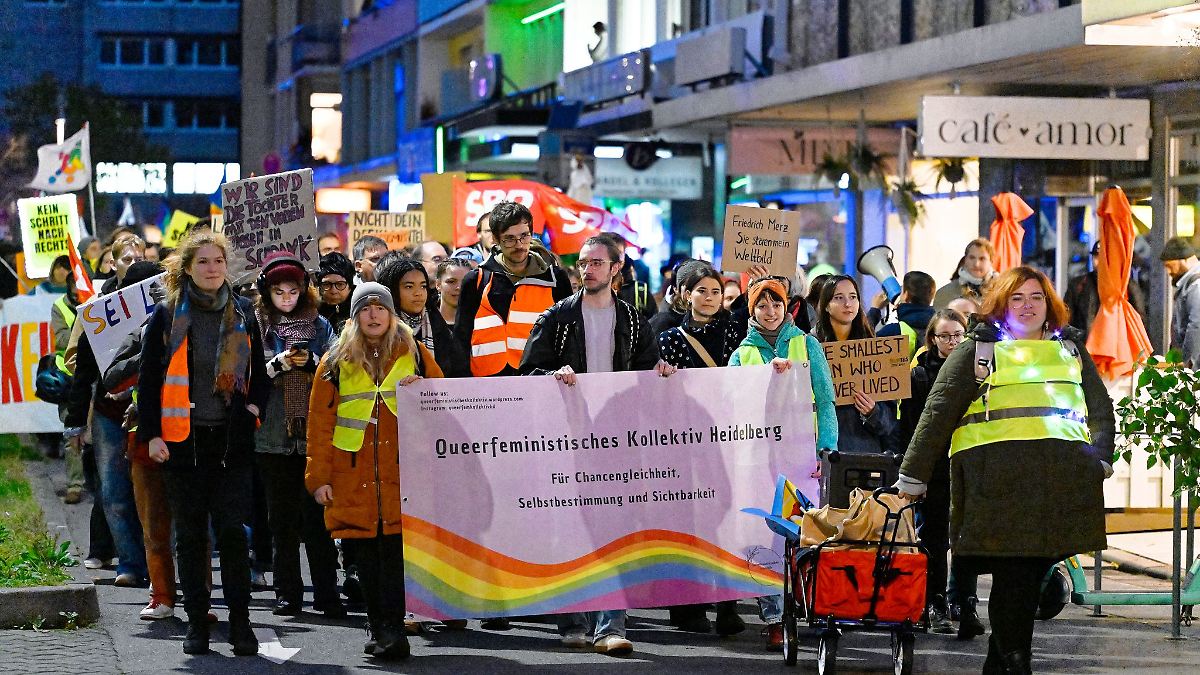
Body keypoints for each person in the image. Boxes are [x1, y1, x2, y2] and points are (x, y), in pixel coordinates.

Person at [897, 266, 1114, 674]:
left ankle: (1001, 664)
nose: (1027, 306)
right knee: (1015, 576)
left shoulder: (1070, 350)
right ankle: (1019, 664)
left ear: (1049, 304)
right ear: (1001, 305)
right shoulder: (978, 350)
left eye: (1036, 297)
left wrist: (1101, 460)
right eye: (1017, 298)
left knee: (1027, 580)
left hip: (1057, 485)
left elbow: (1100, 408)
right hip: (996, 488)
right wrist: (912, 478)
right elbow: (937, 413)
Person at [520, 235, 663, 656]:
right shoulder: (557, 318)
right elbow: (527, 373)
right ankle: (573, 620)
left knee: (612, 532)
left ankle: (610, 626)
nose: (588, 270)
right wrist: (551, 376)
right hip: (566, 440)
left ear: (616, 268)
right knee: (570, 530)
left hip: (617, 441)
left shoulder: (634, 321)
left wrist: (661, 371)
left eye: (597, 263)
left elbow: (646, 374)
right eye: (582, 263)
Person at [138, 229, 270, 656]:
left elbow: (261, 378)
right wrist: (153, 434)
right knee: (191, 537)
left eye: (218, 262)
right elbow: (149, 379)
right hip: (182, 443)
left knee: (233, 533)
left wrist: (252, 410)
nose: (212, 269)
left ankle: (240, 623)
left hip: (231, 445)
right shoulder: (166, 316)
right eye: (203, 262)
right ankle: (197, 623)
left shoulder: (246, 312)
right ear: (187, 269)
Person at [306, 283, 444, 660]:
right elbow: (319, 424)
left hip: (403, 474)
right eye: (365, 308)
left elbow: (444, 402)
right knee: (365, 556)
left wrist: (425, 389)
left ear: (390, 313)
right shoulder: (334, 361)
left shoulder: (414, 353)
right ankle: (378, 624)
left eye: (379, 308)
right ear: (355, 316)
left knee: (397, 556)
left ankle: (392, 628)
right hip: (352, 475)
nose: (373, 314)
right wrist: (318, 479)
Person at [728, 276, 838, 650]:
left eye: (776, 304)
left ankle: (811, 608)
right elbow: (731, 406)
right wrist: (763, 380)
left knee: (805, 532)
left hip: (802, 458)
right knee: (765, 536)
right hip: (759, 460)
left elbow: (825, 400)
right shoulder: (741, 354)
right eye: (762, 305)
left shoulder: (807, 345)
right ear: (752, 310)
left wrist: (827, 449)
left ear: (788, 307)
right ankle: (773, 618)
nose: (770, 311)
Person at [251, 252, 344, 618]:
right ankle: (287, 593)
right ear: (266, 292)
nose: (286, 297)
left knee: (319, 520)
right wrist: (280, 363)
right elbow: (248, 372)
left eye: (293, 290)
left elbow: (338, 364)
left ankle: (326, 593)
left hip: (314, 436)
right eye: (278, 291)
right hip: (272, 436)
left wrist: (314, 360)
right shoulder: (256, 324)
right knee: (282, 522)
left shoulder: (319, 325)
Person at [656, 262, 746, 636]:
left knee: (727, 522)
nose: (708, 298)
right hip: (685, 444)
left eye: (714, 291)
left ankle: (728, 605)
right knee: (687, 523)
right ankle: (687, 604)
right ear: (684, 294)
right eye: (701, 291)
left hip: (728, 441)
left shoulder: (736, 333)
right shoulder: (668, 339)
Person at [63, 237, 149, 590]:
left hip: (149, 410)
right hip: (108, 412)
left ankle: (158, 562)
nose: (133, 262)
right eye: (126, 258)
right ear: (112, 264)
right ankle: (129, 561)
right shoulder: (98, 310)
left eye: (139, 257)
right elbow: (83, 368)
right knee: (113, 492)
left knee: (152, 491)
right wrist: (74, 420)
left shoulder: (162, 302)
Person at [894, 308, 984, 638]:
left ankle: (966, 602)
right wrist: (918, 474)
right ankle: (934, 603)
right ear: (932, 339)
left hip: (970, 466)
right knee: (934, 539)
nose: (951, 342)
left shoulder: (980, 372)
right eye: (944, 336)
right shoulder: (919, 376)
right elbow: (916, 429)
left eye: (957, 335)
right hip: (936, 470)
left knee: (967, 539)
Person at [100, 261, 177, 619]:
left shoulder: (214, 325)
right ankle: (161, 595)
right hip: (146, 438)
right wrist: (149, 351)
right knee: (154, 523)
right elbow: (111, 377)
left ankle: (198, 597)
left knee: (198, 528)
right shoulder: (144, 332)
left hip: (196, 438)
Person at [453, 201, 573, 377]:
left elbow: (568, 336)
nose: (519, 245)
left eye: (524, 236)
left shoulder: (555, 279)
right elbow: (461, 339)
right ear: (495, 239)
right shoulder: (476, 279)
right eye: (509, 238)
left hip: (539, 381)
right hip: (485, 387)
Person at [814, 275, 897, 453]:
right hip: (821, 455)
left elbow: (889, 423)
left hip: (864, 455)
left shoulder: (874, 349)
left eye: (853, 297)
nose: (848, 303)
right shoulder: (810, 346)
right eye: (839, 298)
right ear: (826, 305)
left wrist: (873, 412)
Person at [376, 254, 468, 378]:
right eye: (409, 286)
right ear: (392, 290)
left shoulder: (438, 327)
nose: (418, 293)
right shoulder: (377, 327)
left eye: (423, 286)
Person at [1063, 242, 1147, 337]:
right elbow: (1066, 318)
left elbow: (1140, 320)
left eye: (1104, 257)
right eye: (1096, 257)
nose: (1100, 262)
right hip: (1085, 344)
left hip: (1116, 344)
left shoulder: (1127, 285)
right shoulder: (1079, 284)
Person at [878, 271, 937, 358]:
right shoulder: (940, 326)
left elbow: (861, 347)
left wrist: (875, 310)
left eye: (902, 291)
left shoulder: (893, 331)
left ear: (906, 295)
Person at [1161, 236, 1200, 368]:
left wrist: (1187, 363)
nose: (1168, 271)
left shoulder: (1196, 286)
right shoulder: (1189, 284)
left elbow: (1196, 325)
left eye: (1169, 266)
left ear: (1184, 260)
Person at [933, 239, 998, 309]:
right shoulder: (945, 293)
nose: (976, 264)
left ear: (991, 261)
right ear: (965, 260)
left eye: (982, 259)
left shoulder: (1003, 291)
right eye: (972, 258)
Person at [316, 252, 355, 332]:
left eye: (340, 284)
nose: (334, 291)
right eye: (327, 284)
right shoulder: (312, 313)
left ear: (350, 286)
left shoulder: (360, 309)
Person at [436, 258, 471, 329]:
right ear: (438, 285)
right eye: (451, 281)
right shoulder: (426, 321)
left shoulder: (480, 321)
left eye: (465, 281)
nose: (459, 287)